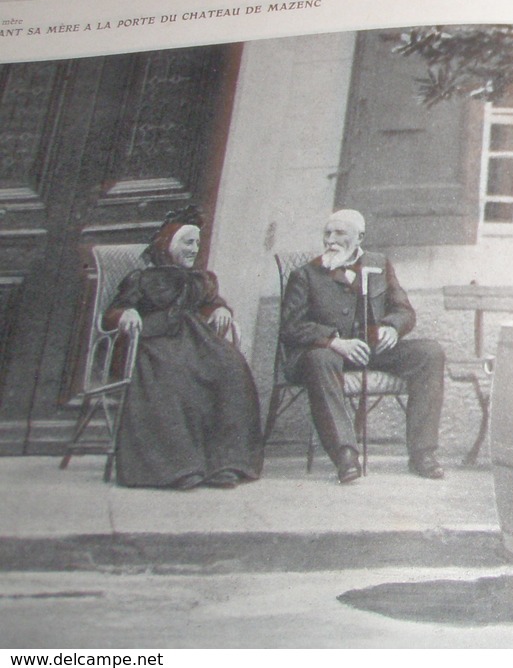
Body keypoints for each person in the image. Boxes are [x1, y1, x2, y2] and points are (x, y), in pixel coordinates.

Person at [280, 209, 446, 484]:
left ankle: (422, 453)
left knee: (429, 353)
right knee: (320, 359)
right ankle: (345, 454)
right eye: (327, 233)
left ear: (360, 237)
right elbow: (291, 327)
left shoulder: (379, 265)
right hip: (325, 354)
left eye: (340, 233)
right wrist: (335, 342)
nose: (331, 240)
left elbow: (404, 310)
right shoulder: (306, 275)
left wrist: (392, 326)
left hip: (371, 351)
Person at [104, 207, 262, 489]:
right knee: (173, 376)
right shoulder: (143, 278)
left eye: (197, 244)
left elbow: (211, 301)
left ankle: (225, 463)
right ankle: (177, 467)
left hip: (197, 341)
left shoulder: (200, 279)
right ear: (168, 243)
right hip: (155, 342)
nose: (194, 249)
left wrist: (220, 308)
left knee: (232, 370)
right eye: (188, 242)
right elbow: (115, 309)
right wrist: (126, 313)